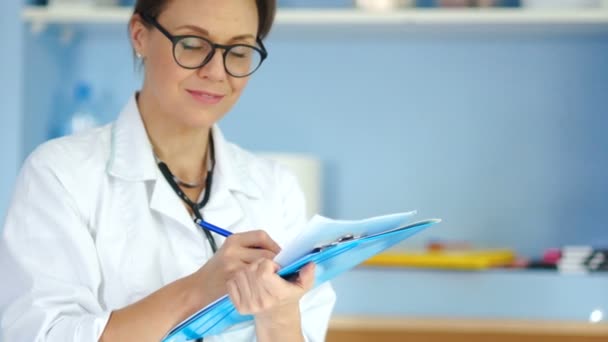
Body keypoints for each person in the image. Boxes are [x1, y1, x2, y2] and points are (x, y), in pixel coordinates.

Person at [0, 0, 336, 341]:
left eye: (238, 51)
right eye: (192, 44)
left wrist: (277, 316)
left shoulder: (276, 189)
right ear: (139, 35)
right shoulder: (60, 175)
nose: (217, 72)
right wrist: (195, 291)